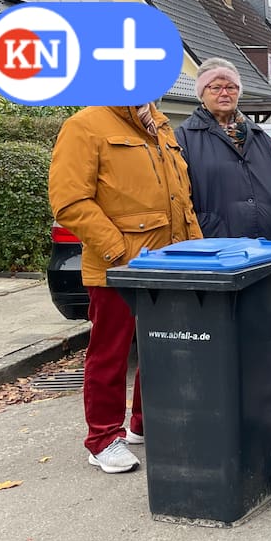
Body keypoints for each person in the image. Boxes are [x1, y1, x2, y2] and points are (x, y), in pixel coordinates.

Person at [48, 103, 203, 473]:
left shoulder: (160, 125)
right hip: (117, 268)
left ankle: (144, 424)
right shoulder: (85, 124)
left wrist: (196, 250)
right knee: (110, 353)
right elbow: (69, 201)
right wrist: (117, 250)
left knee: (164, 347)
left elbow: (182, 202)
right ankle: (102, 439)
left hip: (167, 264)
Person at [175, 58, 271, 241]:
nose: (225, 93)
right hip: (217, 244)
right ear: (201, 93)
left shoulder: (259, 137)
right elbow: (179, 196)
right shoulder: (184, 138)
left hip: (269, 242)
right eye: (215, 87)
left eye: (231, 87)